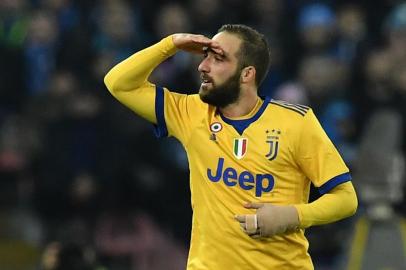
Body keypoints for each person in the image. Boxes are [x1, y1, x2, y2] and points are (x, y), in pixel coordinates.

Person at [104, 24, 358, 269]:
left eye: (218, 59)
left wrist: (292, 216)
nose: (203, 66)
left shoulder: (296, 122)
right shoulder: (190, 113)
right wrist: (170, 44)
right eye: (205, 57)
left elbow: (346, 199)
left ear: (247, 73)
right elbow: (118, 83)